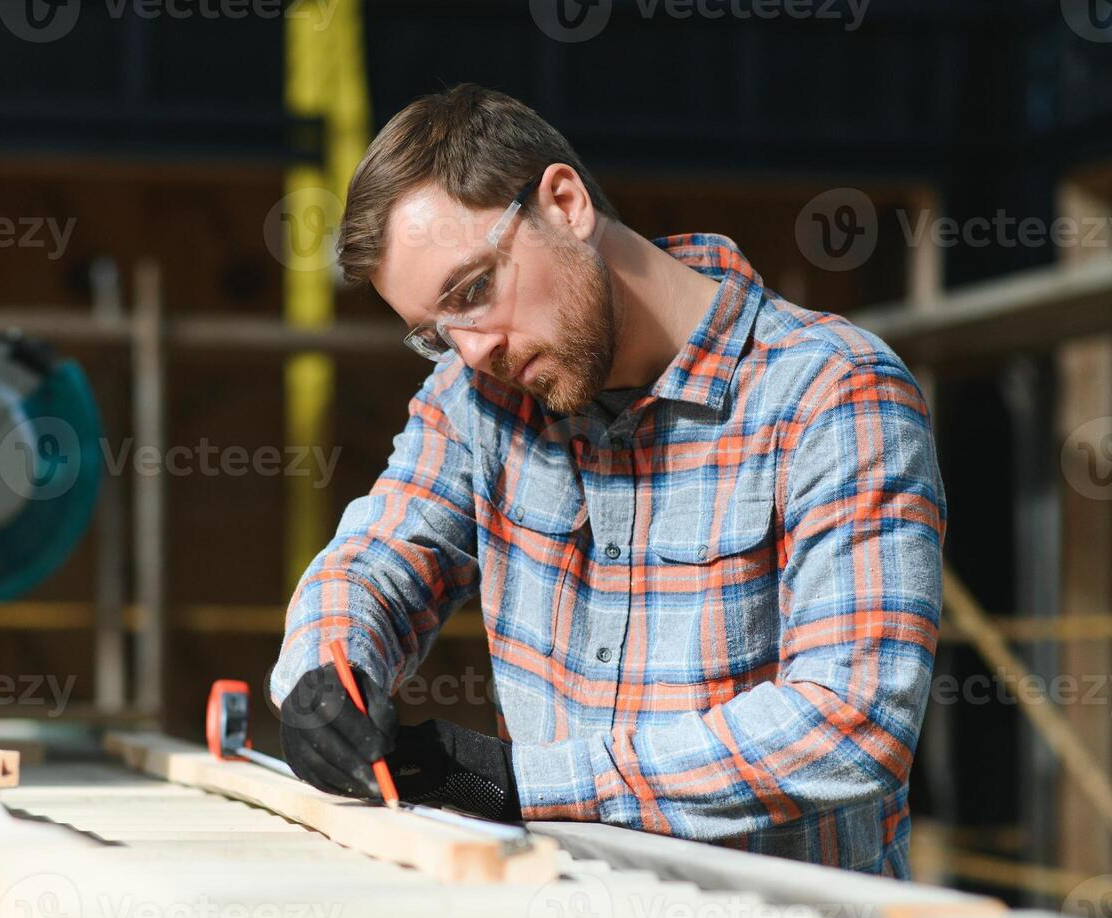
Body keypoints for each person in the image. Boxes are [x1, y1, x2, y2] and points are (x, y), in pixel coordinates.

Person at [269, 83, 946, 877]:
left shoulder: (833, 394)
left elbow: (849, 722)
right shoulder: (475, 403)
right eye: (434, 333)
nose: (472, 349)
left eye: (472, 291)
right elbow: (377, 558)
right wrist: (327, 673)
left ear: (563, 202)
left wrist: (511, 781)